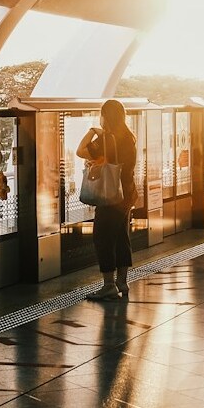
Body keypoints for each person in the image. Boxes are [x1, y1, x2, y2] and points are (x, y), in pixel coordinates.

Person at [76, 100, 137, 300]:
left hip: (110, 195)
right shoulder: (129, 137)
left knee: (102, 237)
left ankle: (109, 285)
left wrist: (93, 131)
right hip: (127, 194)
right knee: (121, 236)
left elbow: (80, 150)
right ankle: (122, 281)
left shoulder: (106, 139)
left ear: (106, 116)